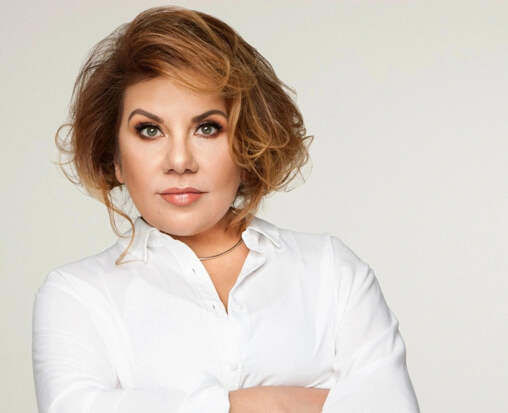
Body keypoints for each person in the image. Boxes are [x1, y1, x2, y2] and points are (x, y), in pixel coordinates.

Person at [32, 5, 420, 413]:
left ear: (248, 143)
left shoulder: (331, 272)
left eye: (207, 128)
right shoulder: (77, 295)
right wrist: (278, 403)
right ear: (115, 158)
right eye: (149, 130)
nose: (179, 160)